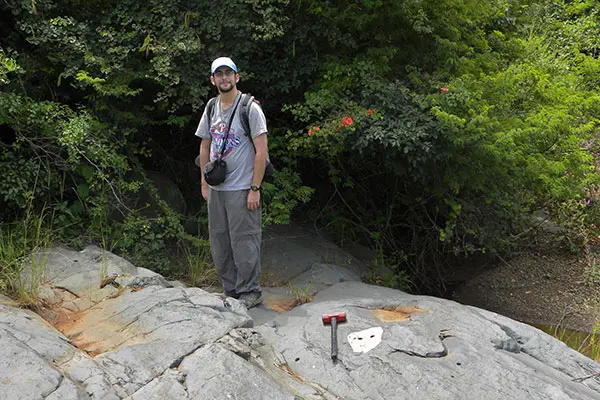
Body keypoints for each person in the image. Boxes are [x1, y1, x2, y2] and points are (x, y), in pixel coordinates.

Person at [195, 57, 268, 309]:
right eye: (219, 74)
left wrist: (255, 188)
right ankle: (231, 290)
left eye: (229, 73)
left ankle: (250, 292)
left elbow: (261, 151)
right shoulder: (211, 107)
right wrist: (204, 182)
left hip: (242, 188)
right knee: (219, 241)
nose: (224, 78)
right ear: (212, 80)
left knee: (244, 240)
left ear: (237, 77)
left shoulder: (250, 108)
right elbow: (205, 145)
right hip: (217, 188)